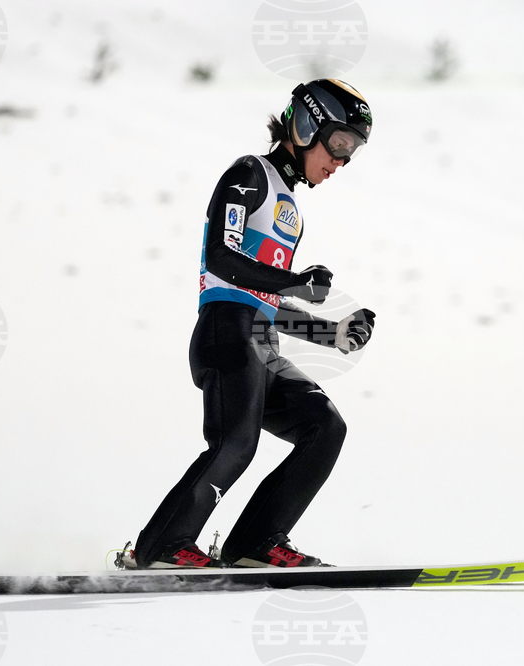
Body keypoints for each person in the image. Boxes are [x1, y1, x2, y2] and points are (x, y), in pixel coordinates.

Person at [129, 79, 377, 569]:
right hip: (226, 332)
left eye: (353, 151)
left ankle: (254, 545)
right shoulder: (251, 174)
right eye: (340, 143)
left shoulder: (289, 207)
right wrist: (295, 280)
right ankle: (160, 547)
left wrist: (335, 335)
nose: (342, 161)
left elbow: (266, 296)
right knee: (237, 443)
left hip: (258, 340)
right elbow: (222, 259)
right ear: (307, 126)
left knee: (324, 428)